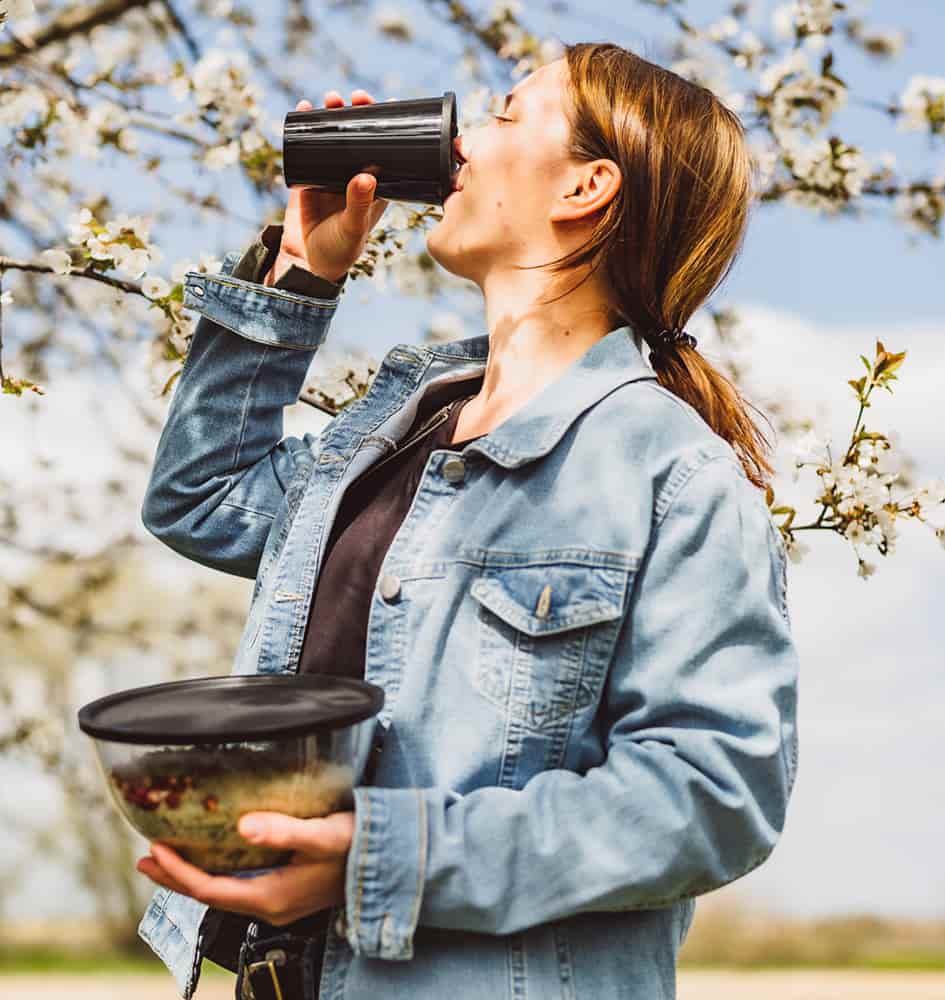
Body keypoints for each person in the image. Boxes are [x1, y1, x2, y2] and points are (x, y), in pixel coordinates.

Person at [135, 42, 800, 1000]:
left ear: (587, 185)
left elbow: (711, 798)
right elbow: (201, 496)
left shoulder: (670, 474)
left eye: (502, 113)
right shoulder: (393, 432)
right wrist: (300, 277)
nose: (458, 143)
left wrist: (392, 858)